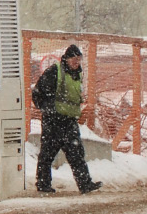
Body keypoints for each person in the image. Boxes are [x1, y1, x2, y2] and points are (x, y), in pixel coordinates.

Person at [31, 44, 102, 195]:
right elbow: (37, 92)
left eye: (79, 60)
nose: (77, 63)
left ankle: (85, 184)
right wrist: (47, 109)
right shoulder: (54, 72)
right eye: (74, 59)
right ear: (67, 59)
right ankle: (43, 184)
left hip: (69, 121)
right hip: (53, 121)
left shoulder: (77, 75)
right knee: (47, 153)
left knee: (76, 153)